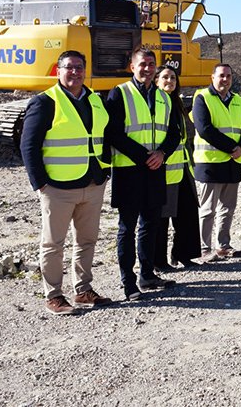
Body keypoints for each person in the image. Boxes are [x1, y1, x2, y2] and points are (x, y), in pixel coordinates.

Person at [21, 50, 112, 314]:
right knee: (53, 244)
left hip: (93, 182)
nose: (75, 72)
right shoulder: (45, 102)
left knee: (87, 241)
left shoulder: (95, 100)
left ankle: (83, 290)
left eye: (79, 67)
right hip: (58, 186)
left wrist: (105, 172)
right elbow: (29, 146)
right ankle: (54, 295)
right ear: (58, 71)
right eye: (69, 67)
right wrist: (40, 184)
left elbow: (103, 137)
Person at [105, 48, 179, 300]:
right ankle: (128, 283)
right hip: (129, 170)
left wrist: (162, 153)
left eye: (151, 63)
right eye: (142, 64)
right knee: (127, 227)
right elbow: (113, 133)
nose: (147, 68)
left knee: (151, 224)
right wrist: (145, 156)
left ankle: (147, 274)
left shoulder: (164, 98)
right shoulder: (119, 93)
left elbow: (173, 133)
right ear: (132, 67)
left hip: (156, 169)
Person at [191, 63, 241, 262]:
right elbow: (204, 129)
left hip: (232, 162)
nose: (224, 79)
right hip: (210, 163)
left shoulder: (237, 100)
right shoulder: (202, 98)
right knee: (208, 209)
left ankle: (223, 245)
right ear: (212, 77)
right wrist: (232, 148)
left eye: (228, 76)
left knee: (228, 208)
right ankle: (203, 248)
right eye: (221, 76)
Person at [153, 65, 200, 270]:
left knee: (187, 213)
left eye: (173, 77)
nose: (169, 81)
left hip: (183, 167)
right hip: (163, 169)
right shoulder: (154, 103)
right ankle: (159, 261)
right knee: (162, 219)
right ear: (156, 81)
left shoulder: (177, 103)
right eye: (165, 77)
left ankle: (184, 254)